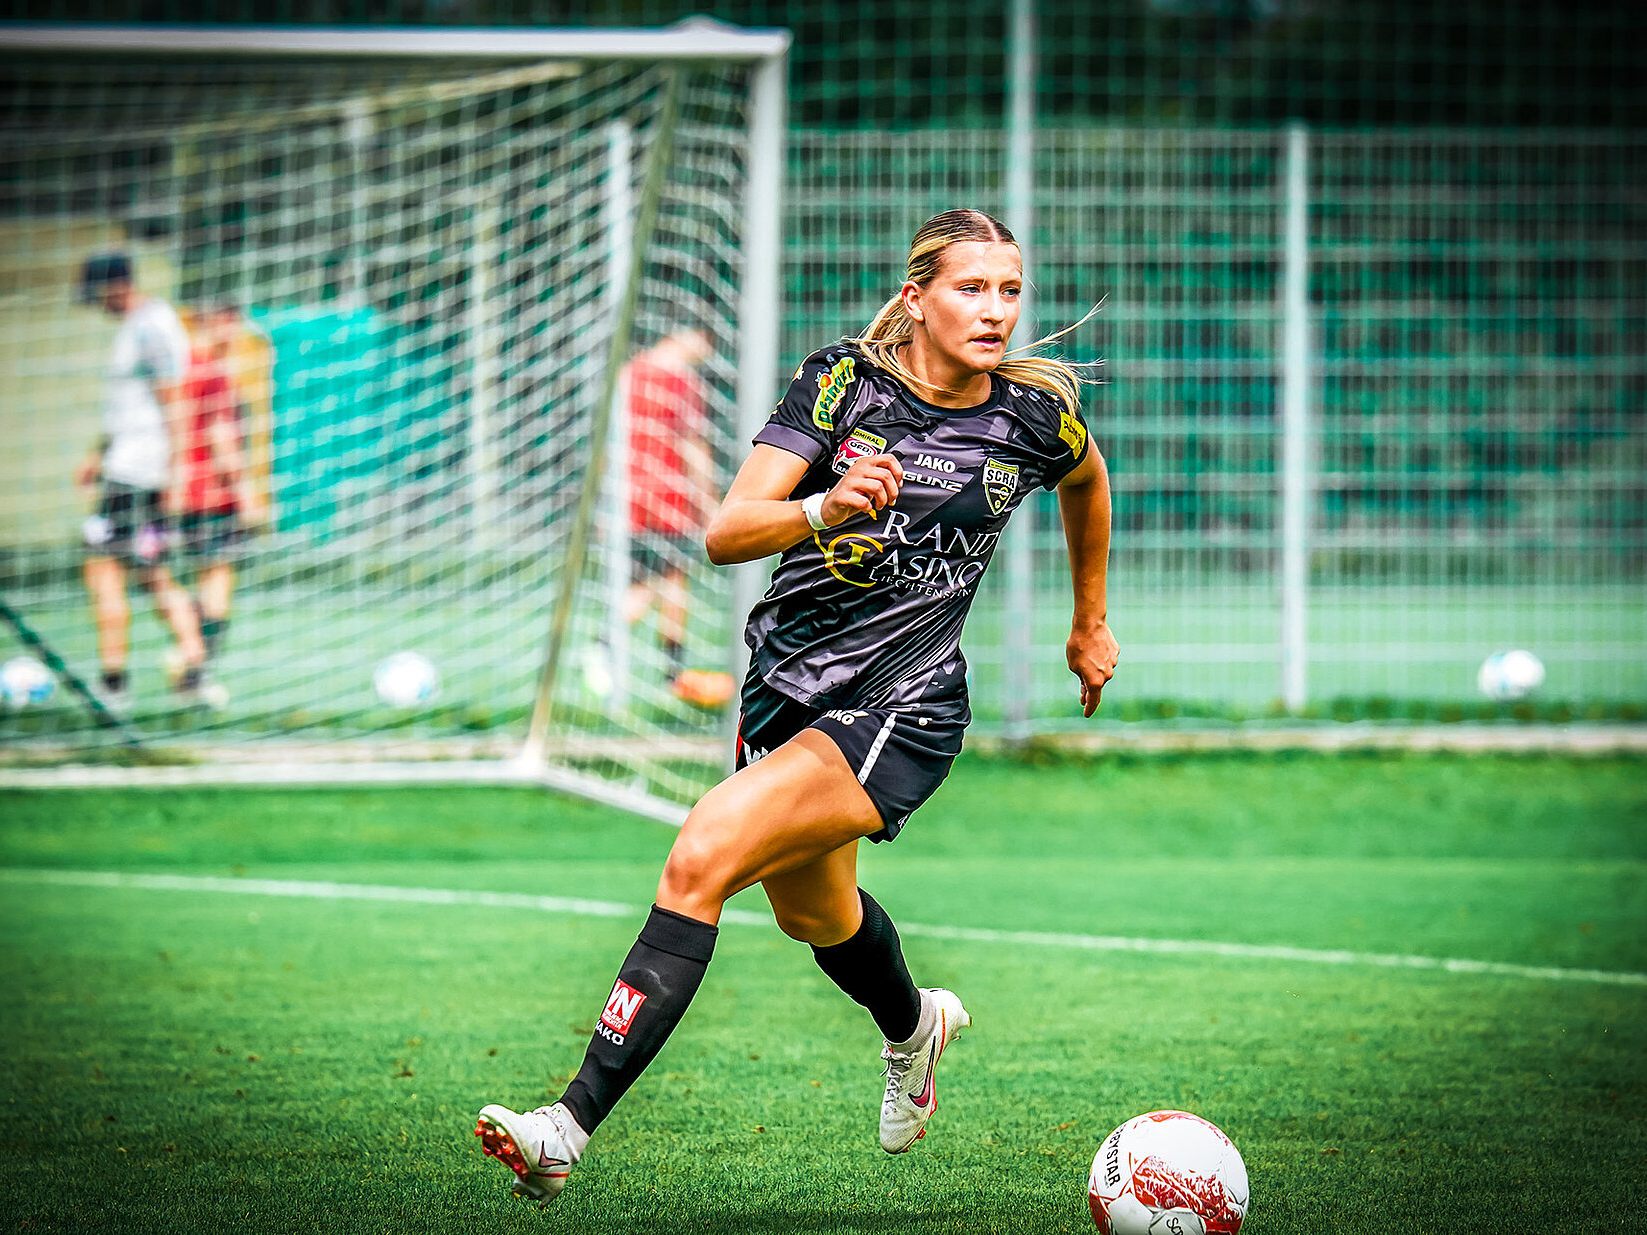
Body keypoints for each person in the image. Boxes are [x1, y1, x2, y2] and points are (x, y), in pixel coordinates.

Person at [474, 209, 1119, 1205]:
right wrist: (826, 504)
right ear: (916, 297)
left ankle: (563, 1127)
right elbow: (728, 531)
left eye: (1009, 290)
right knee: (817, 915)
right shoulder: (842, 383)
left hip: (906, 702)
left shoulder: (1029, 416)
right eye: (970, 288)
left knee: (702, 850)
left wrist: (1090, 622)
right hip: (787, 686)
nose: (995, 310)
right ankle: (915, 1025)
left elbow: (1086, 478)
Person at [73, 251, 206, 713]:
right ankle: (194, 669)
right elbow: (130, 408)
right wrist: (98, 451)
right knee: (151, 572)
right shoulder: (141, 326)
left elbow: (175, 399)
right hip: (130, 468)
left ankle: (113, 683)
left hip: (136, 475)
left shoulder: (151, 326)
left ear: (117, 285)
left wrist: (179, 469)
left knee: (102, 568)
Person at [621, 327, 716, 691]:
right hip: (669, 495)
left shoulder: (628, 373)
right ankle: (604, 643)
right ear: (683, 334)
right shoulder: (680, 380)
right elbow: (692, 446)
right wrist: (708, 503)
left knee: (671, 576)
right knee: (657, 579)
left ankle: (673, 672)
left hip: (630, 494)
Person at [172, 302, 261, 688]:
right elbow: (220, 438)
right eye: (235, 324)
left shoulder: (180, 368)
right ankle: (197, 667)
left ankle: (191, 658)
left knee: (194, 579)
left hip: (179, 493)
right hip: (210, 495)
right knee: (217, 579)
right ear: (221, 322)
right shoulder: (213, 372)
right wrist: (246, 493)